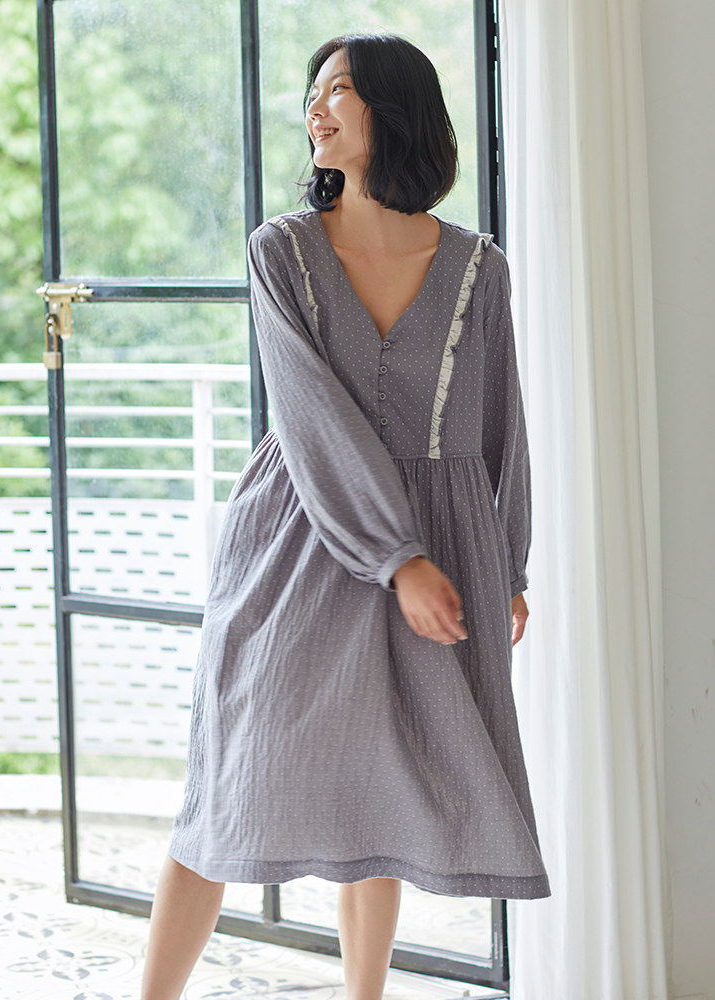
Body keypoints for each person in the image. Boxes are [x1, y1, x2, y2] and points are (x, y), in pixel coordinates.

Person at [140, 33, 549, 1000]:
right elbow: (310, 416)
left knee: (383, 790)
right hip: (297, 540)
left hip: (440, 546)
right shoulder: (281, 251)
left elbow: (502, 419)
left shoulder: (477, 268)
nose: (315, 109)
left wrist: (508, 565)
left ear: (393, 109)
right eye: (313, 92)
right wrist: (397, 556)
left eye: (338, 91)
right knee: (231, 785)